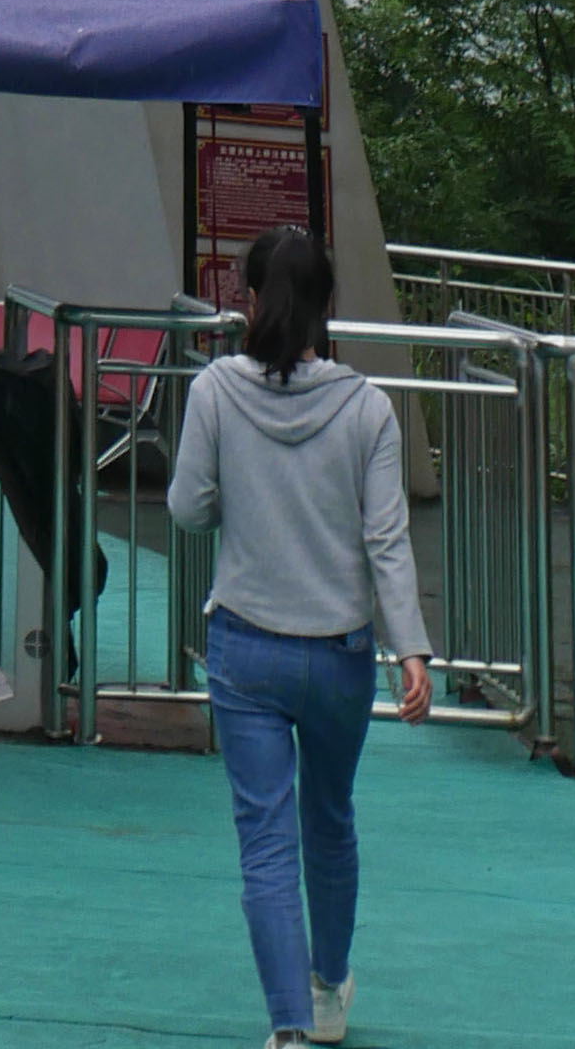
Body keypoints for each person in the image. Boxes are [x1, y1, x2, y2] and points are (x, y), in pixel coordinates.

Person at [166, 221, 432, 1049]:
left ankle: (285, 1026)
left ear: (247, 301)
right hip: (340, 654)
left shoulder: (215, 391)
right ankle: (327, 989)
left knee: (265, 840)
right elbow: (386, 538)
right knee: (330, 818)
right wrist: (412, 648)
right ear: (328, 308)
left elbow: (186, 507)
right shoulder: (368, 409)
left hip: (246, 647)